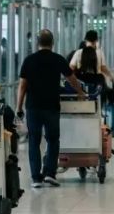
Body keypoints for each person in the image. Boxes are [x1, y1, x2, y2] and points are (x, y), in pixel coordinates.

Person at [17, 30, 86, 189]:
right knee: (53, 140)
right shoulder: (58, 59)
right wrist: (80, 92)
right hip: (52, 106)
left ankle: (36, 178)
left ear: (37, 42)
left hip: (33, 107)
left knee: (34, 141)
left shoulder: (29, 60)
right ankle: (49, 173)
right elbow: (71, 78)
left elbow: (22, 86)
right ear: (52, 43)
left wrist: (19, 107)